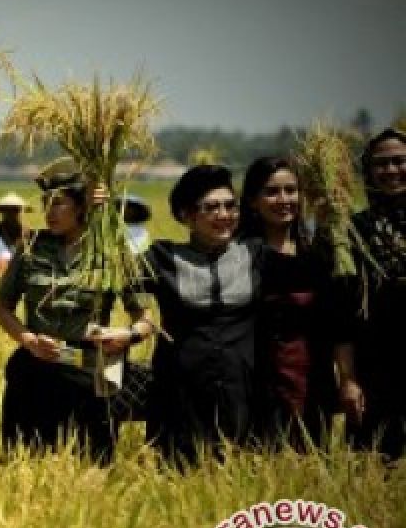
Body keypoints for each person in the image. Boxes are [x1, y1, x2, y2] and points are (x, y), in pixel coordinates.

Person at [0, 159, 153, 465]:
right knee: (25, 461)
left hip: (90, 369)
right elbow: (2, 308)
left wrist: (127, 335)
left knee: (92, 462)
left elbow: (145, 318)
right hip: (36, 367)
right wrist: (28, 340)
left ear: (82, 207)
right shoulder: (31, 247)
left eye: (59, 204)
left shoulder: (114, 253)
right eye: (46, 204)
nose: (50, 212)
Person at [143, 164, 264, 466]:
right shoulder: (162, 258)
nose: (224, 215)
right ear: (186, 215)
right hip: (180, 394)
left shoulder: (255, 254)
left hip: (242, 392)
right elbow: (110, 273)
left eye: (230, 206)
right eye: (211, 208)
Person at [237, 157, 339, 447]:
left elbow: (338, 321)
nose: (284, 199)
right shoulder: (239, 256)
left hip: (313, 379)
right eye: (271, 191)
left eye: (291, 190)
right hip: (260, 382)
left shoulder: (320, 254)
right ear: (253, 201)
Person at [338, 127, 406, 461]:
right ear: (368, 171)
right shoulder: (353, 232)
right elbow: (343, 315)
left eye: (399, 161)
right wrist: (348, 380)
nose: (391, 170)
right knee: (374, 470)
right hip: (376, 371)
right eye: (381, 164)